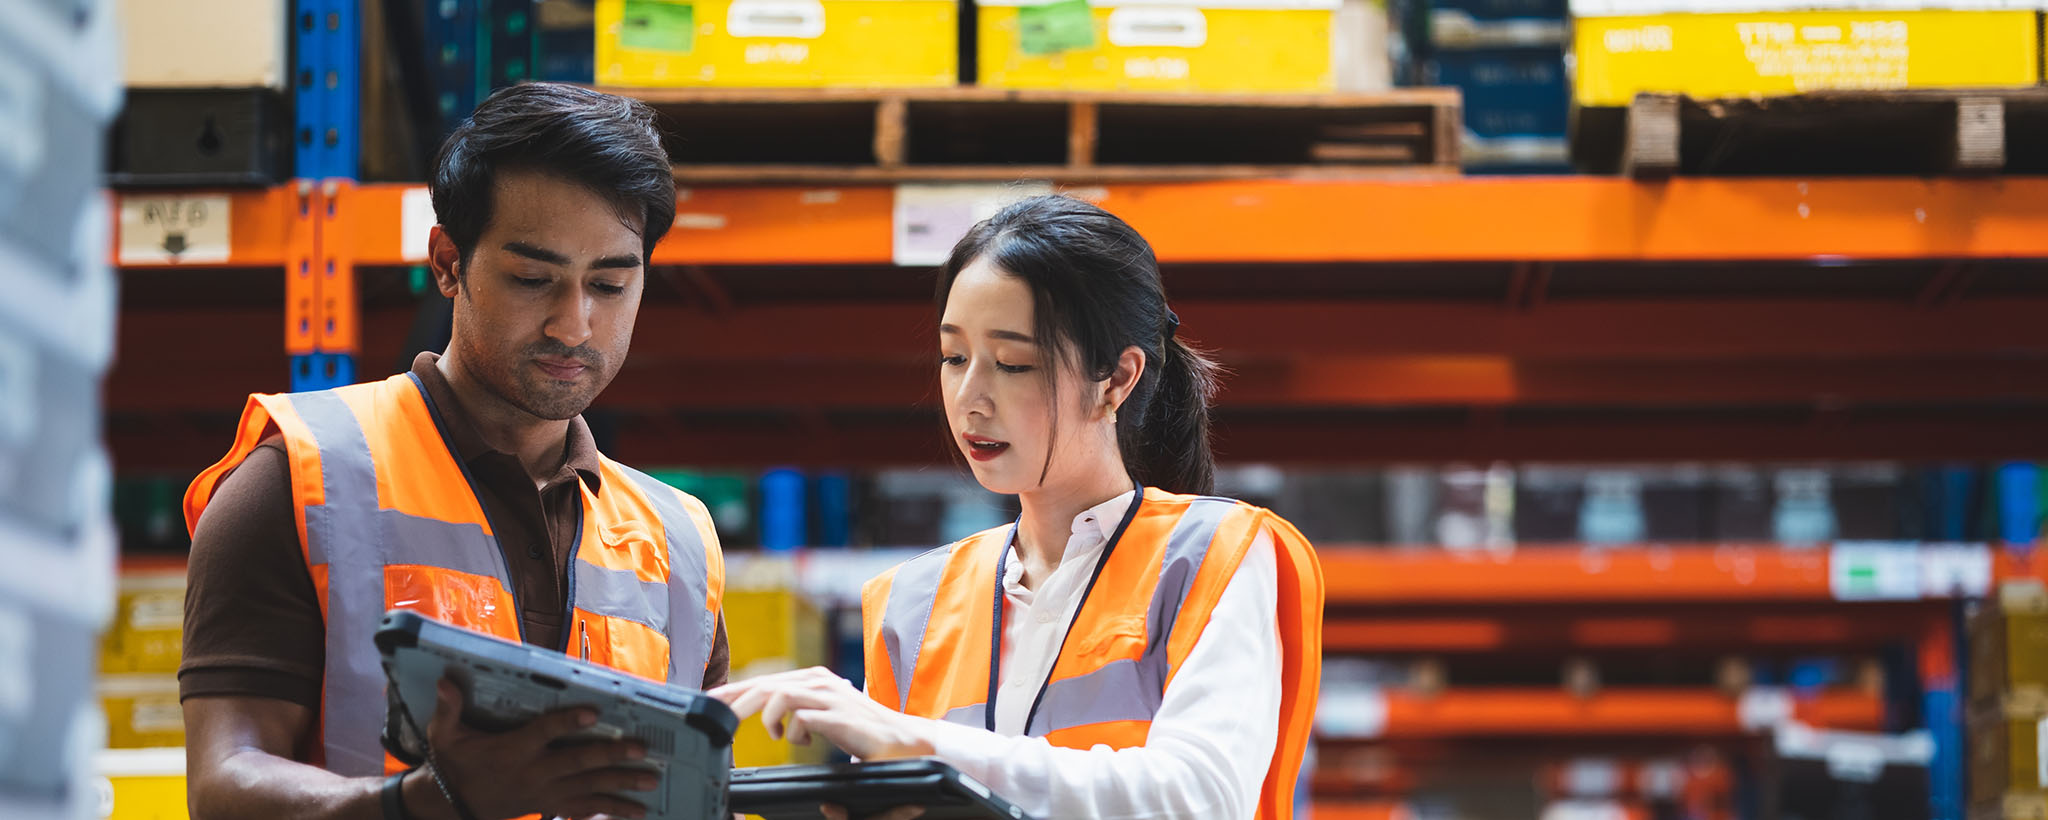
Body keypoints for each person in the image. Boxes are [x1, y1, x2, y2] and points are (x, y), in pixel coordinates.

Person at [178, 82, 728, 820]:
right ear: (447, 262)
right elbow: (222, 787)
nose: (574, 325)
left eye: (609, 284)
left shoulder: (680, 545)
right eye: (532, 279)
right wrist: (427, 802)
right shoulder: (299, 482)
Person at [713, 195, 1326, 820]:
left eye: (1012, 363)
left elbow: (1199, 798)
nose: (970, 397)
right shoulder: (912, 604)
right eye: (954, 357)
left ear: (1117, 379)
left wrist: (921, 747)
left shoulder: (1216, 555)